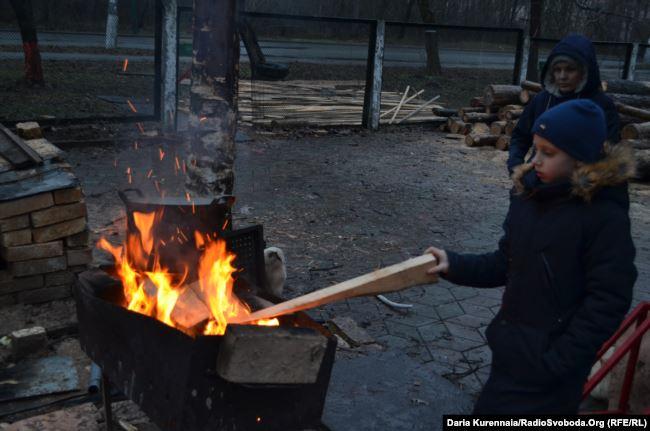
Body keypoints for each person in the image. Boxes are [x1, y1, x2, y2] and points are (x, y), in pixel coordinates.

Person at [425, 99, 637, 414]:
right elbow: (504, 263)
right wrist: (453, 263)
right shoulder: (529, 197)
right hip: (511, 352)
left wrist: (558, 360)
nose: (535, 160)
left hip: (552, 371)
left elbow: (608, 300)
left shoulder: (604, 217)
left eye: (548, 153)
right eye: (535, 149)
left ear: (581, 160)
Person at [508, 34, 620, 176]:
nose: (562, 76)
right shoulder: (542, 99)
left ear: (584, 71)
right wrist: (516, 166)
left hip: (580, 184)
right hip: (538, 178)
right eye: (557, 69)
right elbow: (520, 136)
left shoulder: (600, 105)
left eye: (570, 69)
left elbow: (609, 150)